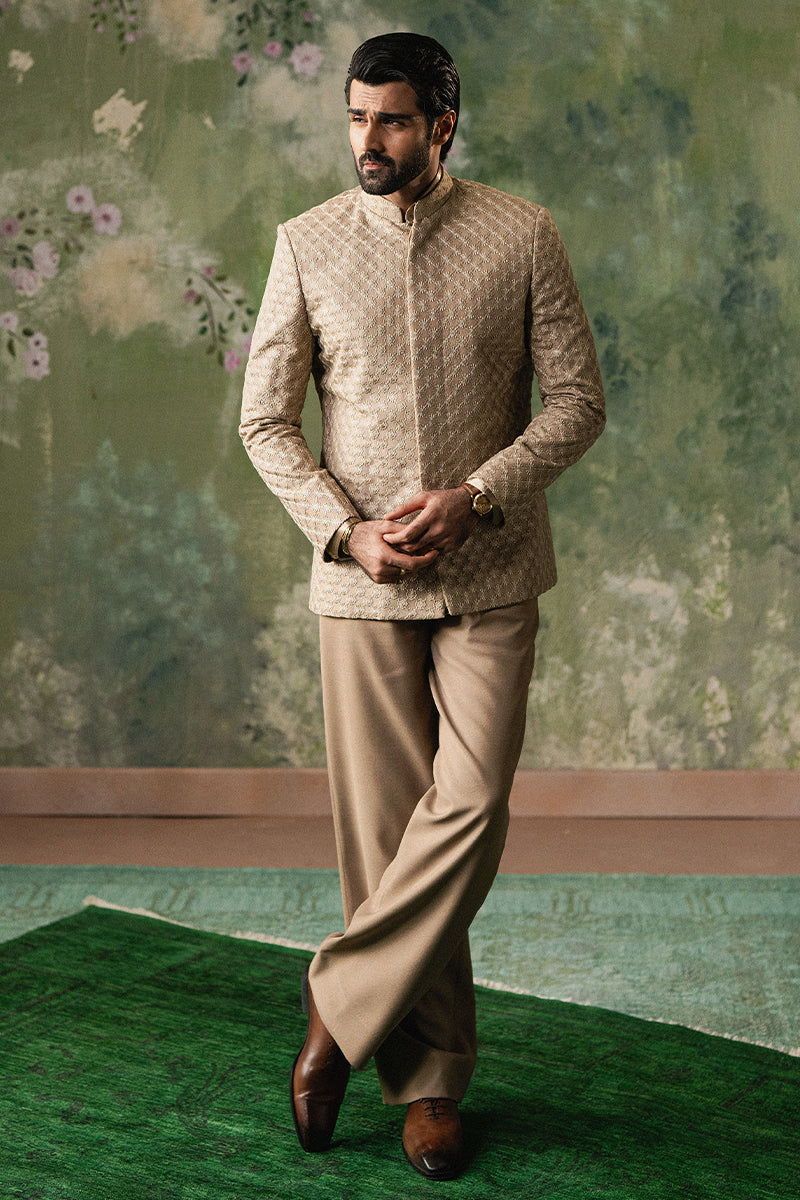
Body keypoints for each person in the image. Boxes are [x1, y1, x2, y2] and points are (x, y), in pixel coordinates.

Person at [240, 31, 605, 1181]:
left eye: (391, 120)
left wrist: (476, 497)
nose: (368, 139)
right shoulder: (305, 243)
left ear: (441, 124)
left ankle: (335, 1003)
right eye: (356, 118)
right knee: (383, 838)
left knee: (470, 806)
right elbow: (264, 423)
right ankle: (428, 1083)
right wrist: (346, 531)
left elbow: (576, 403)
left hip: (490, 573)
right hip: (359, 585)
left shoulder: (521, 233)